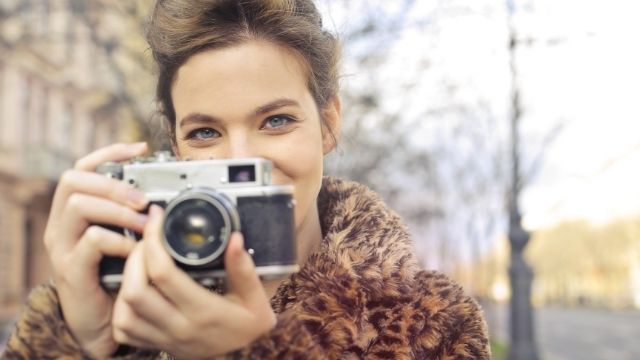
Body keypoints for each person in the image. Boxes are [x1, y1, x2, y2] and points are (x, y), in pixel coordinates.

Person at [2, 0, 490, 359]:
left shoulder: (432, 326)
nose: (243, 160)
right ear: (174, 147)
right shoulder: (132, 315)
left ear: (329, 123)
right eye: (206, 132)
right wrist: (77, 342)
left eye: (276, 121)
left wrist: (256, 352)